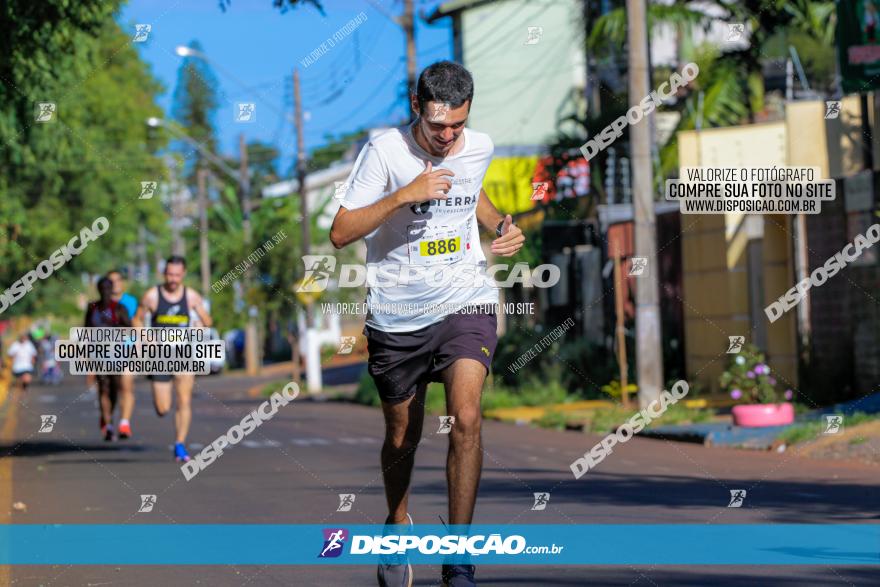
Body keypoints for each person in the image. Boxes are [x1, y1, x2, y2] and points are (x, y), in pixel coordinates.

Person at [329, 60, 524, 587]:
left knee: (467, 416)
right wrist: (402, 195)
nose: (448, 137)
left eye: (457, 125)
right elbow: (341, 231)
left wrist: (503, 225)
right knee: (402, 434)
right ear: (417, 106)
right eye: (438, 126)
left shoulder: (476, 146)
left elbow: (473, 194)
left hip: (466, 299)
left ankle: (457, 557)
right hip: (397, 313)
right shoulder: (385, 152)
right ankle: (397, 523)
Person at [133, 256, 212, 463]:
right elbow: (137, 320)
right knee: (162, 408)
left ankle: (180, 443)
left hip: (184, 354)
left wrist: (200, 327)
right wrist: (145, 338)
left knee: (184, 400)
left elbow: (207, 320)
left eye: (177, 275)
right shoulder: (152, 296)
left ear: (183, 274)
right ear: (164, 273)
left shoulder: (191, 297)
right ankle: (174, 432)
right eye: (169, 274)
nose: (173, 279)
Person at [85, 276, 131, 440]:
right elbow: (86, 332)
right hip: (98, 354)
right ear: (98, 290)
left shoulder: (119, 308)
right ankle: (108, 423)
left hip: (116, 354)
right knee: (103, 386)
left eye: (108, 288)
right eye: (102, 288)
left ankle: (110, 416)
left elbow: (130, 328)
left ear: (112, 290)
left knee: (114, 388)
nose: (105, 292)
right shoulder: (92, 308)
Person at [107, 270, 139, 439]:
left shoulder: (131, 302)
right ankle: (108, 421)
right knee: (111, 390)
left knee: (127, 386)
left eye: (118, 280)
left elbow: (137, 324)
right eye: (111, 281)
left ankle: (124, 423)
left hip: (128, 350)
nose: (116, 283)